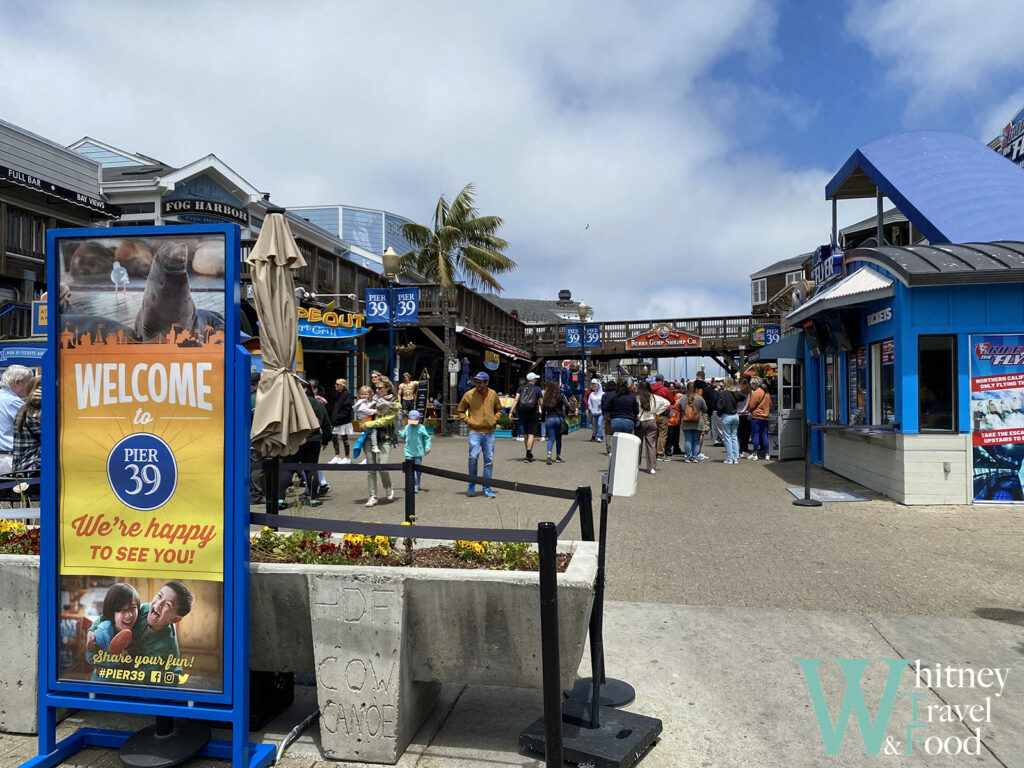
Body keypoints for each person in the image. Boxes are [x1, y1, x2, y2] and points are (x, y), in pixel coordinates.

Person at [127, 581, 193, 678]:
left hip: (160, 678)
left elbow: (141, 677)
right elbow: (113, 616)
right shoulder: (145, 609)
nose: (157, 605)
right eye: (159, 596)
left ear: (175, 619)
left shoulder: (165, 647)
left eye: (167, 605)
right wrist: (95, 629)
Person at [456, 371, 502, 498]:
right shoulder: (469, 394)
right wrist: (470, 421)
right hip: (474, 431)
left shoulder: (493, 394)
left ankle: (486, 486)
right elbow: (460, 411)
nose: (478, 385)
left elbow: (499, 409)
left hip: (489, 432)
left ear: (487, 383)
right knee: (473, 458)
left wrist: (494, 420)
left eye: (481, 382)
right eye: (476, 382)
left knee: (489, 460)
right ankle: (472, 484)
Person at [85, 582, 140, 680]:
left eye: (133, 608)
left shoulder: (138, 624)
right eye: (123, 611)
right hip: (103, 686)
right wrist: (117, 660)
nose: (129, 615)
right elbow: (90, 657)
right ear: (112, 612)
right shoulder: (103, 631)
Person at [363, 378, 400, 507]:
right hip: (368, 437)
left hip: (385, 436)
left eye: (380, 388)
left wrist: (369, 423)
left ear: (388, 388)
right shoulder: (370, 400)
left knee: (382, 464)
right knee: (371, 468)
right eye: (376, 388)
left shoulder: (394, 403)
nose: (377, 391)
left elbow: (387, 421)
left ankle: (388, 486)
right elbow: (361, 413)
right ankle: (372, 496)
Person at [0, 365, 32, 475]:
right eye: (30, 383)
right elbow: (35, 425)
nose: (31, 387)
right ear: (18, 382)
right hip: (9, 459)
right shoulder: (13, 402)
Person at [510, 372, 543, 462]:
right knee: (531, 433)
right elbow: (541, 402)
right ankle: (529, 453)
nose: (536, 380)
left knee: (525, 432)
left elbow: (516, 399)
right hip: (533, 412)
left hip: (522, 412)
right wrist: (544, 412)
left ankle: (527, 452)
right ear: (532, 380)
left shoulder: (521, 388)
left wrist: (511, 411)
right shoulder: (537, 389)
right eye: (535, 378)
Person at [12, 375, 41, 476]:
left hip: (22, 467)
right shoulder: (36, 414)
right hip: (34, 468)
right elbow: (55, 438)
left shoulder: (24, 410)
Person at [635, 382, 667, 474]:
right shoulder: (654, 397)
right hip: (652, 421)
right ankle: (651, 467)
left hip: (640, 421)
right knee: (651, 445)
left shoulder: (637, 398)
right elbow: (667, 403)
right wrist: (657, 412)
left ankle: (636, 464)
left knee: (638, 444)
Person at [398, 409, 431, 492]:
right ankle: (414, 485)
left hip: (418, 453)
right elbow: (404, 436)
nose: (413, 424)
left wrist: (427, 447)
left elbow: (427, 438)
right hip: (408, 451)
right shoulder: (407, 427)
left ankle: (418, 482)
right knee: (410, 469)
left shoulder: (421, 428)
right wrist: (399, 431)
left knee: (418, 470)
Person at [541, 381, 569, 464]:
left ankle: (549, 454)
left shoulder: (547, 397)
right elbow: (567, 405)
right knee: (558, 439)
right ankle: (558, 456)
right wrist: (566, 413)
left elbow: (543, 409)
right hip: (559, 418)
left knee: (551, 439)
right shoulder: (561, 396)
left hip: (549, 418)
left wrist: (543, 419)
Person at [678, 382, 707, 462]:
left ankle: (688, 457)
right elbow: (705, 409)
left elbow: (679, 408)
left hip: (686, 422)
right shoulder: (699, 398)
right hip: (698, 422)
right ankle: (695, 457)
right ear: (695, 388)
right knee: (696, 440)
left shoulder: (683, 398)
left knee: (688, 440)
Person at [605, 378, 639, 445]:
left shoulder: (613, 395)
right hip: (628, 421)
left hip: (616, 420)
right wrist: (633, 417)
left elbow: (606, 407)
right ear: (626, 385)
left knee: (617, 442)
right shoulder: (631, 395)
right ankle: (626, 454)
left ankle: (617, 454)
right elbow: (636, 409)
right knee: (626, 442)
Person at [353, 385, 382, 454]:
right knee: (373, 431)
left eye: (365, 394)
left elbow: (369, 406)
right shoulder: (361, 402)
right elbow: (366, 410)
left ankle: (366, 446)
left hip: (364, 420)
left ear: (369, 395)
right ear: (359, 395)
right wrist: (375, 411)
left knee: (367, 434)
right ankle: (374, 446)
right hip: (365, 420)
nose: (363, 396)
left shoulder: (365, 402)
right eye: (362, 394)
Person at [748, 377, 772, 461]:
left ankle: (755, 454)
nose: (751, 386)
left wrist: (751, 411)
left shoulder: (755, 393)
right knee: (764, 435)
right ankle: (767, 454)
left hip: (756, 416)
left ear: (755, 384)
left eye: (752, 385)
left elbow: (751, 406)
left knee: (755, 435)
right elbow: (770, 405)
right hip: (765, 417)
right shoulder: (767, 393)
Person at [717, 377, 741, 464]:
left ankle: (730, 458)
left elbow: (720, 406)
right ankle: (736, 457)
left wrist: (719, 413)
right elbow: (743, 397)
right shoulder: (736, 392)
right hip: (735, 415)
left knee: (727, 437)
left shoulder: (723, 393)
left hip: (727, 416)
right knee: (734, 437)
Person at [649, 375, 674, 460]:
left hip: (652, 414)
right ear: (662, 380)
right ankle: (660, 453)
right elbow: (672, 401)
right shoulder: (665, 390)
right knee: (662, 435)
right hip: (663, 414)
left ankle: (653, 452)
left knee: (653, 434)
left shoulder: (650, 389)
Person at [331, 378, 354, 463]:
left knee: (345, 439)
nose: (335, 386)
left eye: (337, 384)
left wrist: (339, 417)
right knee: (334, 437)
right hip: (336, 420)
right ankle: (337, 455)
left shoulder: (347, 394)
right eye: (335, 384)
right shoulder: (337, 394)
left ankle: (347, 457)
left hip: (343, 421)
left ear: (342, 385)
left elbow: (347, 408)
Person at [737, 378, 752, 458]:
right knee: (746, 434)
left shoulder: (738, 393)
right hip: (746, 414)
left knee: (740, 434)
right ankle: (745, 449)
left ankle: (741, 449)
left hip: (738, 414)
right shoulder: (750, 392)